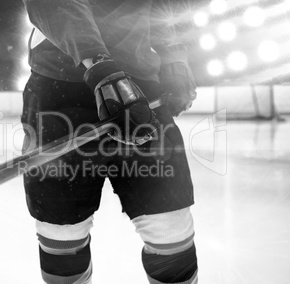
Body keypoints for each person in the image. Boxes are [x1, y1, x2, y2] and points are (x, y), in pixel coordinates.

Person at [20, 0, 198, 283]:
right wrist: (99, 64)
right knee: (62, 232)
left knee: (169, 226)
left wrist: (175, 55)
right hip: (60, 89)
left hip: (140, 88)